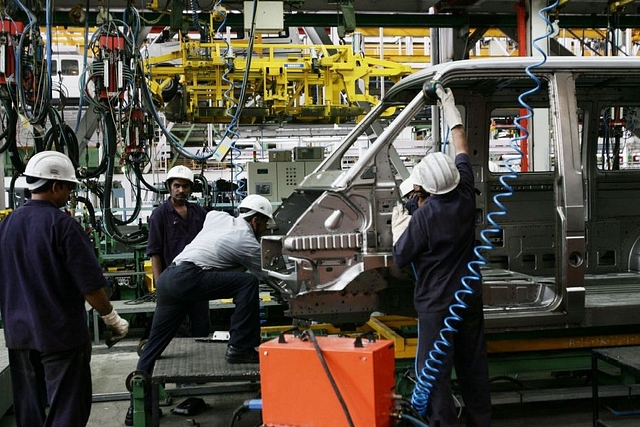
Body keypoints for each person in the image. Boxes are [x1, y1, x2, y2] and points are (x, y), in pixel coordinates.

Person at [0, 151, 129, 427]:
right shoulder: (63, 225)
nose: (70, 194)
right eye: (69, 188)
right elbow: (91, 286)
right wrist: (112, 319)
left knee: (30, 410)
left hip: (19, 335)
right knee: (68, 408)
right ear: (55, 186)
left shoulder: (8, 224)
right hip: (60, 336)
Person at [392, 86, 491, 427]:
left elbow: (401, 256)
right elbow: (461, 143)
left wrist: (400, 219)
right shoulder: (465, 190)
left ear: (427, 190)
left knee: (433, 372)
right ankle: (480, 421)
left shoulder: (424, 217)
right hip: (469, 299)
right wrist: (450, 107)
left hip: (437, 306)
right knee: (473, 366)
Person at [125, 194, 272, 425]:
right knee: (248, 283)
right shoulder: (247, 241)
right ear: (255, 221)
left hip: (169, 278)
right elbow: (268, 275)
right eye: (264, 224)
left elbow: (212, 227)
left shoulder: (218, 217)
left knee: (155, 343)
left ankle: (136, 407)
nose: (263, 230)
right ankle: (240, 347)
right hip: (188, 278)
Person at [146, 165, 208, 337]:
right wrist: (160, 285)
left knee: (202, 328)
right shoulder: (159, 215)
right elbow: (155, 252)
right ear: (169, 187)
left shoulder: (198, 212)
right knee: (170, 330)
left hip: (197, 281)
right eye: (177, 186)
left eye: (185, 186)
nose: (181, 190)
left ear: (190, 188)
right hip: (172, 283)